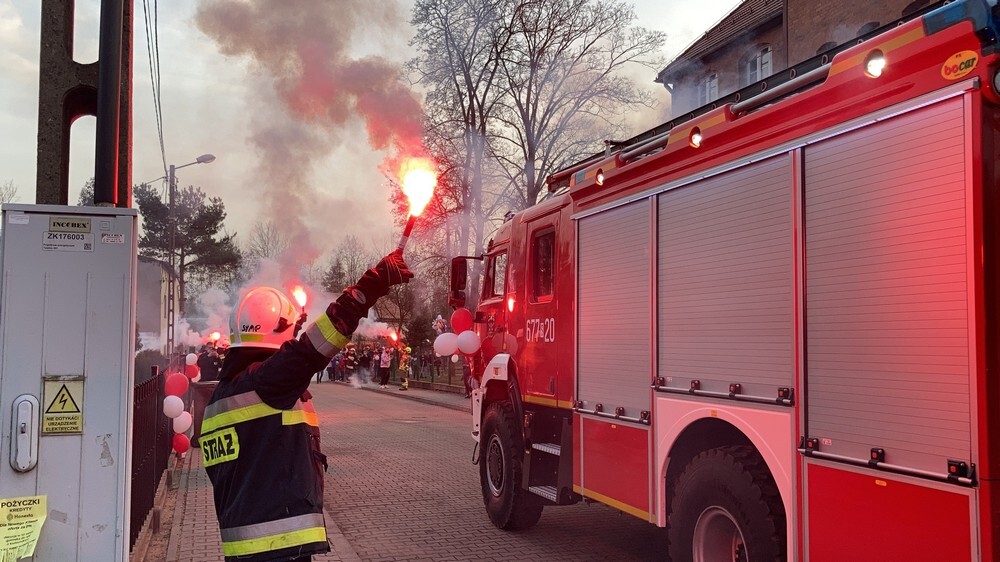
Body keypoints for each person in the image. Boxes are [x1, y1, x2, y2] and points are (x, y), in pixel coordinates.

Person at [200, 250, 412, 562]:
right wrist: (369, 288)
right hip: (279, 545)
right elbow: (312, 349)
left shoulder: (222, 398)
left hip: (247, 546)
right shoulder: (266, 382)